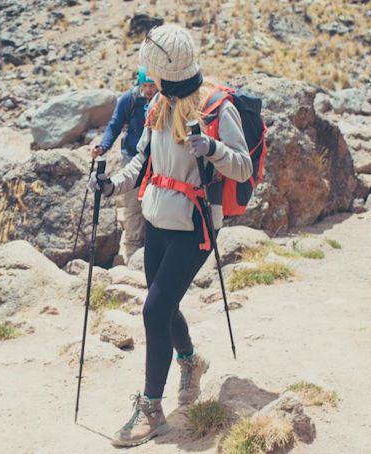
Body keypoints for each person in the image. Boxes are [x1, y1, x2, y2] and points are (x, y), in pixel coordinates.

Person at [88, 24, 253, 447]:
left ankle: (151, 409)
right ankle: (190, 361)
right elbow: (141, 161)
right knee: (163, 303)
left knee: (153, 309)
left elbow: (243, 167)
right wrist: (112, 186)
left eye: (151, 72)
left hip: (196, 225)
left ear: (163, 72)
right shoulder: (159, 105)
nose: (148, 80)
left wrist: (211, 149)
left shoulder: (215, 108)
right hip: (159, 219)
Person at [92, 68, 158, 263]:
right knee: (133, 205)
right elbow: (114, 126)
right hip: (133, 158)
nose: (148, 90)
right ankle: (133, 250)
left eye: (151, 85)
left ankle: (153, 247)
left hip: (158, 160)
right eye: (144, 86)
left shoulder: (164, 101)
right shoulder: (129, 100)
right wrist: (102, 147)